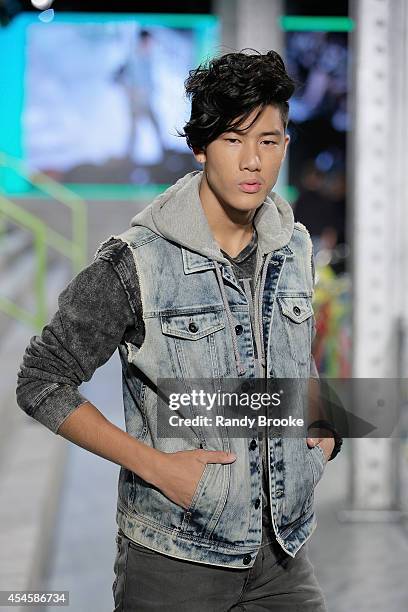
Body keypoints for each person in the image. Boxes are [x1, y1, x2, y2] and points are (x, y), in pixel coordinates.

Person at [16, 49, 343, 611]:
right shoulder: (137, 262)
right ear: (199, 147)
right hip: (175, 561)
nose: (252, 162)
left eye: (268, 141)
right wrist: (156, 467)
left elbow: (294, 359)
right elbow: (40, 381)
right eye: (233, 139)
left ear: (286, 146)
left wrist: (323, 418)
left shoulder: (295, 248)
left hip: (284, 553)